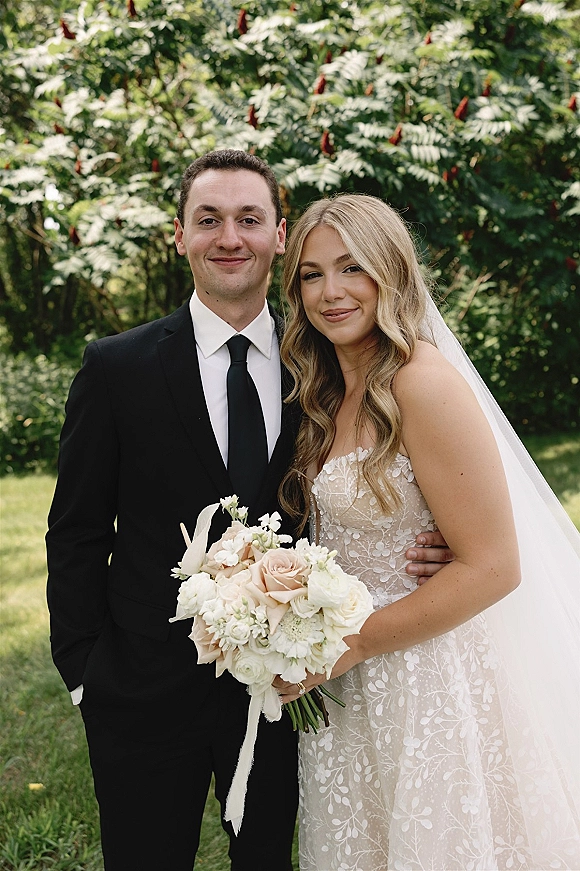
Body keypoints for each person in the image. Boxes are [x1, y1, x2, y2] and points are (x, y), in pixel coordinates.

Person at [45, 151, 452, 870]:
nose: (229, 236)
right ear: (180, 235)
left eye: (248, 219)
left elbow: (394, 476)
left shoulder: (327, 367)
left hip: (289, 693)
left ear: (279, 235)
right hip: (140, 690)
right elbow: (75, 530)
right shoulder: (116, 367)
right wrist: (85, 671)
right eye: (209, 219)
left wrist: (440, 541)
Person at [275, 194, 580, 870]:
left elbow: (496, 565)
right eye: (311, 273)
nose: (331, 292)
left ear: (391, 271)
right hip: (354, 689)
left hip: (428, 679)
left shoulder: (423, 381)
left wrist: (349, 644)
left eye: (351, 267)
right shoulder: (325, 390)